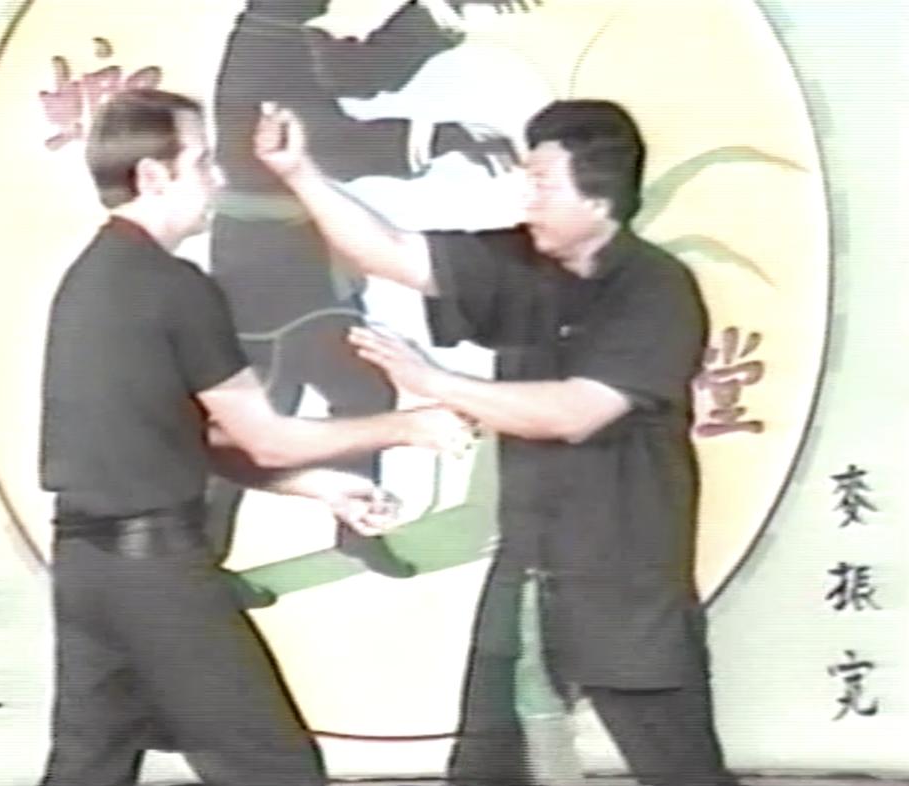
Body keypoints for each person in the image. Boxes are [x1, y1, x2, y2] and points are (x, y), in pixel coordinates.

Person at [253, 98, 740, 786]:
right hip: (528, 562)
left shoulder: (656, 290)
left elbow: (576, 412)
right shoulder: (520, 260)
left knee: (679, 767)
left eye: (541, 182)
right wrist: (299, 172)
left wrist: (433, 382)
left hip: (624, 574)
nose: (525, 198)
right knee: (486, 765)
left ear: (597, 195)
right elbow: (391, 253)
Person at [37, 88, 472, 786]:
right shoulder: (175, 285)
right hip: (157, 573)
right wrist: (407, 426)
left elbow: (197, 440)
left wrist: (318, 487)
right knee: (274, 769)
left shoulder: (90, 278)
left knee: (90, 765)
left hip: (88, 568)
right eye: (202, 162)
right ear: (153, 176)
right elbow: (263, 438)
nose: (218, 179)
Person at [207, 0, 508, 581]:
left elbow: (360, 71)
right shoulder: (261, 46)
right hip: (259, 270)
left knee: (361, 388)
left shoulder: (283, 34)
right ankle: (200, 563)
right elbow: (331, 142)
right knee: (259, 418)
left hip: (302, 264)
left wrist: (446, 9)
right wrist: (441, 138)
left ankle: (357, 526)